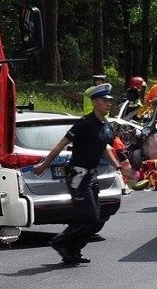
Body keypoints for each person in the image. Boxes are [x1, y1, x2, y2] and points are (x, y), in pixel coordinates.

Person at [34, 83, 122, 265]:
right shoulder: (84, 123)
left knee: (95, 218)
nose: (109, 104)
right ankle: (61, 242)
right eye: (105, 101)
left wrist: (116, 165)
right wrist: (44, 165)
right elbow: (61, 144)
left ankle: (73, 251)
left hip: (91, 175)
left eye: (110, 101)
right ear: (96, 102)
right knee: (89, 216)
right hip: (77, 175)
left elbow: (104, 146)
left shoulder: (106, 126)